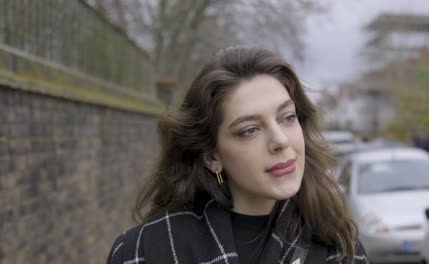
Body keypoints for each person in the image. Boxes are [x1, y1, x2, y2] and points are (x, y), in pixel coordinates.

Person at [106, 46, 367, 264]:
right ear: (211, 156)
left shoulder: (339, 246)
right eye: (250, 130)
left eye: (288, 117)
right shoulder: (142, 252)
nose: (280, 140)